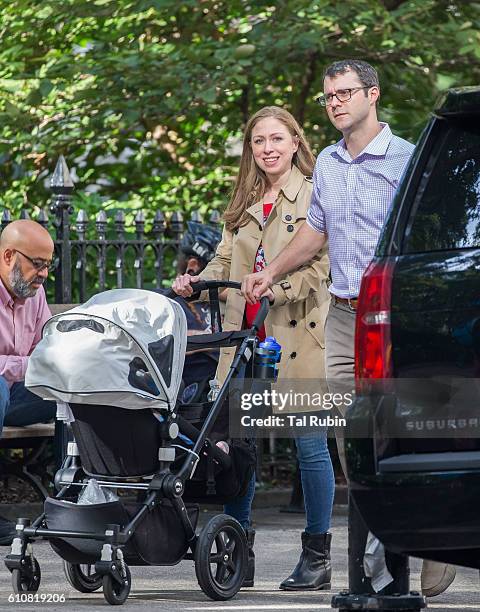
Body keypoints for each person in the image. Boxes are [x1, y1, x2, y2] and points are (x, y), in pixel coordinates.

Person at [241, 60, 456, 598]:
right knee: (351, 436)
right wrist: (270, 271)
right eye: (329, 96)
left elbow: (432, 232)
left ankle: (427, 539)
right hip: (342, 316)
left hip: (391, 317)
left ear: (372, 95)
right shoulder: (331, 165)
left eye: (345, 93)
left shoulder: (407, 160)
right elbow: (315, 233)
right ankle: (382, 544)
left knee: (395, 430)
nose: (335, 102)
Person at [173, 106, 334, 591]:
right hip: (244, 340)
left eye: (276, 139)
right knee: (237, 449)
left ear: (294, 142)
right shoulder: (243, 199)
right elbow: (226, 259)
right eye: (258, 141)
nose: (267, 148)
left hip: (297, 336)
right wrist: (195, 283)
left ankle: (317, 556)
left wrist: (273, 289)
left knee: (309, 448)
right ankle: (237, 549)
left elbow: (319, 268)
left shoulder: (313, 193)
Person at [0, 220, 57, 545]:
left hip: (18, 397)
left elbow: (47, 353)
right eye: (37, 264)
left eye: (48, 265)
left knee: (71, 389)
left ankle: (69, 503)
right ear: (9, 256)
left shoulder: (35, 295)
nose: (44, 274)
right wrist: (29, 365)